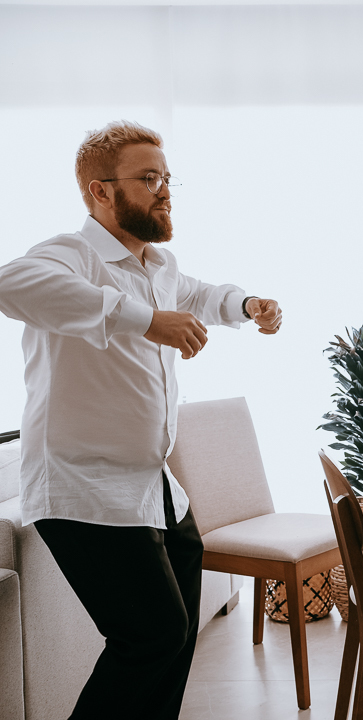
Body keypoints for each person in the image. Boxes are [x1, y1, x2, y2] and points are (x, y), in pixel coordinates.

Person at [0, 120, 283, 720]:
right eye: (149, 178)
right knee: (151, 637)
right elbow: (10, 285)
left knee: (176, 637)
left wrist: (245, 304)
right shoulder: (68, 255)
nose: (165, 190)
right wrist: (147, 320)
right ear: (101, 191)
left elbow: (199, 294)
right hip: (82, 488)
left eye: (167, 177)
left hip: (155, 488)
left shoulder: (159, 264)